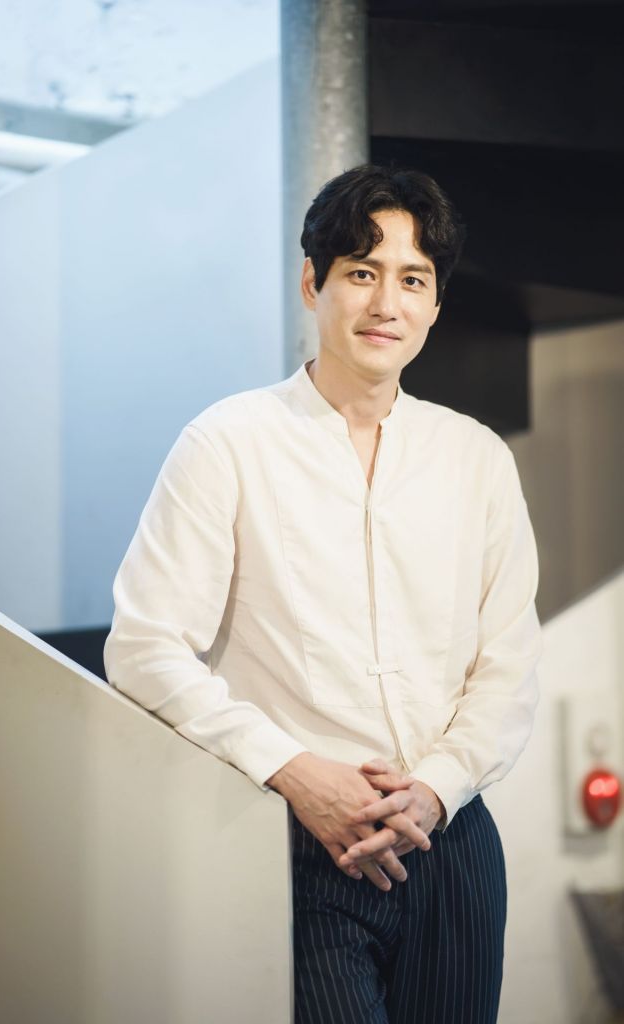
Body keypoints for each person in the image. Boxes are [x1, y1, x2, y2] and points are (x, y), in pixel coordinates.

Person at [103, 163, 543, 1023]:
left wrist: (437, 787)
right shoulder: (228, 442)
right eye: (362, 272)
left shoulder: (477, 458)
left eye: (412, 279)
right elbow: (145, 648)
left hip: (449, 842)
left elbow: (508, 666)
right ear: (314, 283)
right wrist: (298, 773)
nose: (386, 304)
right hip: (295, 844)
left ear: (436, 303)